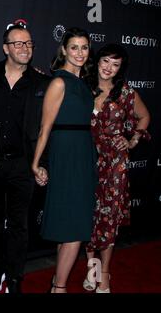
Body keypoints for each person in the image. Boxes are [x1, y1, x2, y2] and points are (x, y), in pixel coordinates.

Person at [0, 22, 50, 294]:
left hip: (24, 163)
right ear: (5, 48)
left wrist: (42, 164)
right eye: (18, 43)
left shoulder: (42, 82)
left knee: (20, 224)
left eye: (29, 43)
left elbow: (48, 128)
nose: (25, 48)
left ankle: (16, 276)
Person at [31, 27, 97, 293]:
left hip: (83, 153)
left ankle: (57, 283)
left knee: (72, 222)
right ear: (64, 50)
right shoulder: (59, 82)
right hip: (65, 153)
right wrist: (36, 164)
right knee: (74, 226)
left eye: (84, 47)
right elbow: (45, 127)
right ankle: (59, 288)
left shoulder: (84, 83)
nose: (79, 53)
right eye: (74, 47)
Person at [82, 44, 150, 293]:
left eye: (116, 64)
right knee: (87, 216)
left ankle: (105, 274)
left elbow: (144, 116)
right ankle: (92, 269)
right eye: (106, 61)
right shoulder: (83, 87)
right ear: (97, 60)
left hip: (114, 165)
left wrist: (132, 139)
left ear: (121, 68)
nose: (109, 68)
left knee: (107, 221)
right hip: (85, 160)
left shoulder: (126, 93)